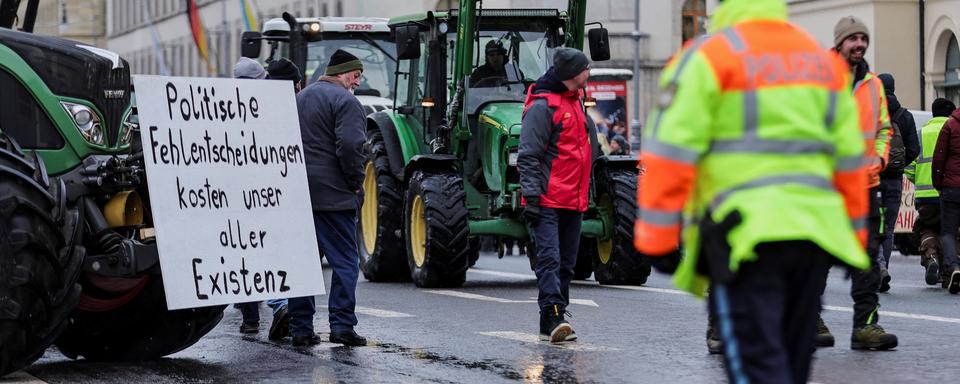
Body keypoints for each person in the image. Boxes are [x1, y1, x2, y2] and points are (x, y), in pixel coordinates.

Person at [635, 0, 869, 382]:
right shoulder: (819, 61)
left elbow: (669, 152)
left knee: (758, 369)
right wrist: (854, 240)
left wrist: (657, 240)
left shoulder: (708, 57)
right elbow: (848, 160)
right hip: (812, 237)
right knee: (790, 369)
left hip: (742, 237)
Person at [815, 16, 897, 351]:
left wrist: (878, 159)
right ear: (839, 43)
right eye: (853, 39)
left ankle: (865, 327)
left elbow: (883, 130)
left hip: (864, 186)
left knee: (867, 258)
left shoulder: (874, 85)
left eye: (863, 38)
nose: (860, 44)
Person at [518, 47, 596, 343]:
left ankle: (552, 317)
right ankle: (553, 315)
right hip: (548, 200)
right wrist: (532, 198)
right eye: (586, 68)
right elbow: (529, 155)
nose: (589, 72)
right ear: (572, 74)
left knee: (566, 263)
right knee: (549, 259)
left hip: (573, 201)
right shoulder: (543, 107)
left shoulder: (575, 102)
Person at [292, 49, 368, 347]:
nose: (358, 82)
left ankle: (300, 328)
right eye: (356, 75)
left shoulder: (300, 98)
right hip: (334, 195)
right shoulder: (346, 101)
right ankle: (341, 325)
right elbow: (351, 146)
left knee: (304, 263)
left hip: (298, 193)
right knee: (346, 261)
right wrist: (354, 184)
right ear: (344, 73)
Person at [232, 56, 268, 335]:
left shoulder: (222, 107)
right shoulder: (269, 108)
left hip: (232, 196)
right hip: (264, 194)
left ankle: (250, 316)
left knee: (241, 252)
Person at [876, 73, 920, 292]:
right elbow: (914, 149)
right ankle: (884, 267)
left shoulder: (871, 113)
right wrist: (899, 164)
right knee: (889, 228)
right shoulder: (905, 116)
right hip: (894, 180)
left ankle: (878, 266)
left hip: (872, 178)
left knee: (872, 224)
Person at [906, 98, 957, 287]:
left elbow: (909, 166)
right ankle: (949, 271)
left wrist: (919, 180)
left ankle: (931, 258)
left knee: (927, 228)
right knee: (951, 230)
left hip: (926, 196)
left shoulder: (921, 134)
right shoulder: (955, 130)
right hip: (951, 191)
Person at [930, 101, 960, 293]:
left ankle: (954, 267)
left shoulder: (950, 125)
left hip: (951, 188)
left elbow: (939, 157)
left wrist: (938, 183)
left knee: (948, 232)